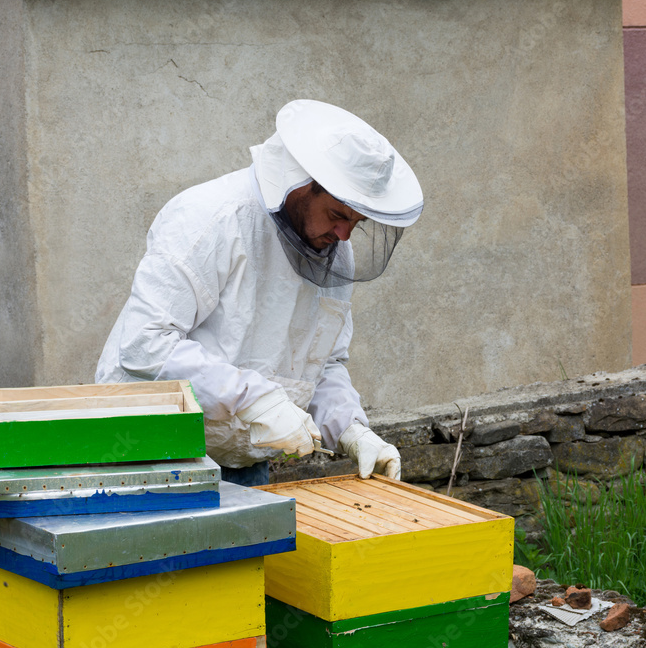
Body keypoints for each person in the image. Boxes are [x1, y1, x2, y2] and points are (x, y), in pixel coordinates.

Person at [95, 100, 423, 486]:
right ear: (301, 186)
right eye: (338, 215)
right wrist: (256, 400)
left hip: (244, 463)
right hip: (144, 453)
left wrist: (350, 427)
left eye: (357, 222)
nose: (345, 235)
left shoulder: (332, 250)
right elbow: (146, 346)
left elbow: (323, 362)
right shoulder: (210, 217)